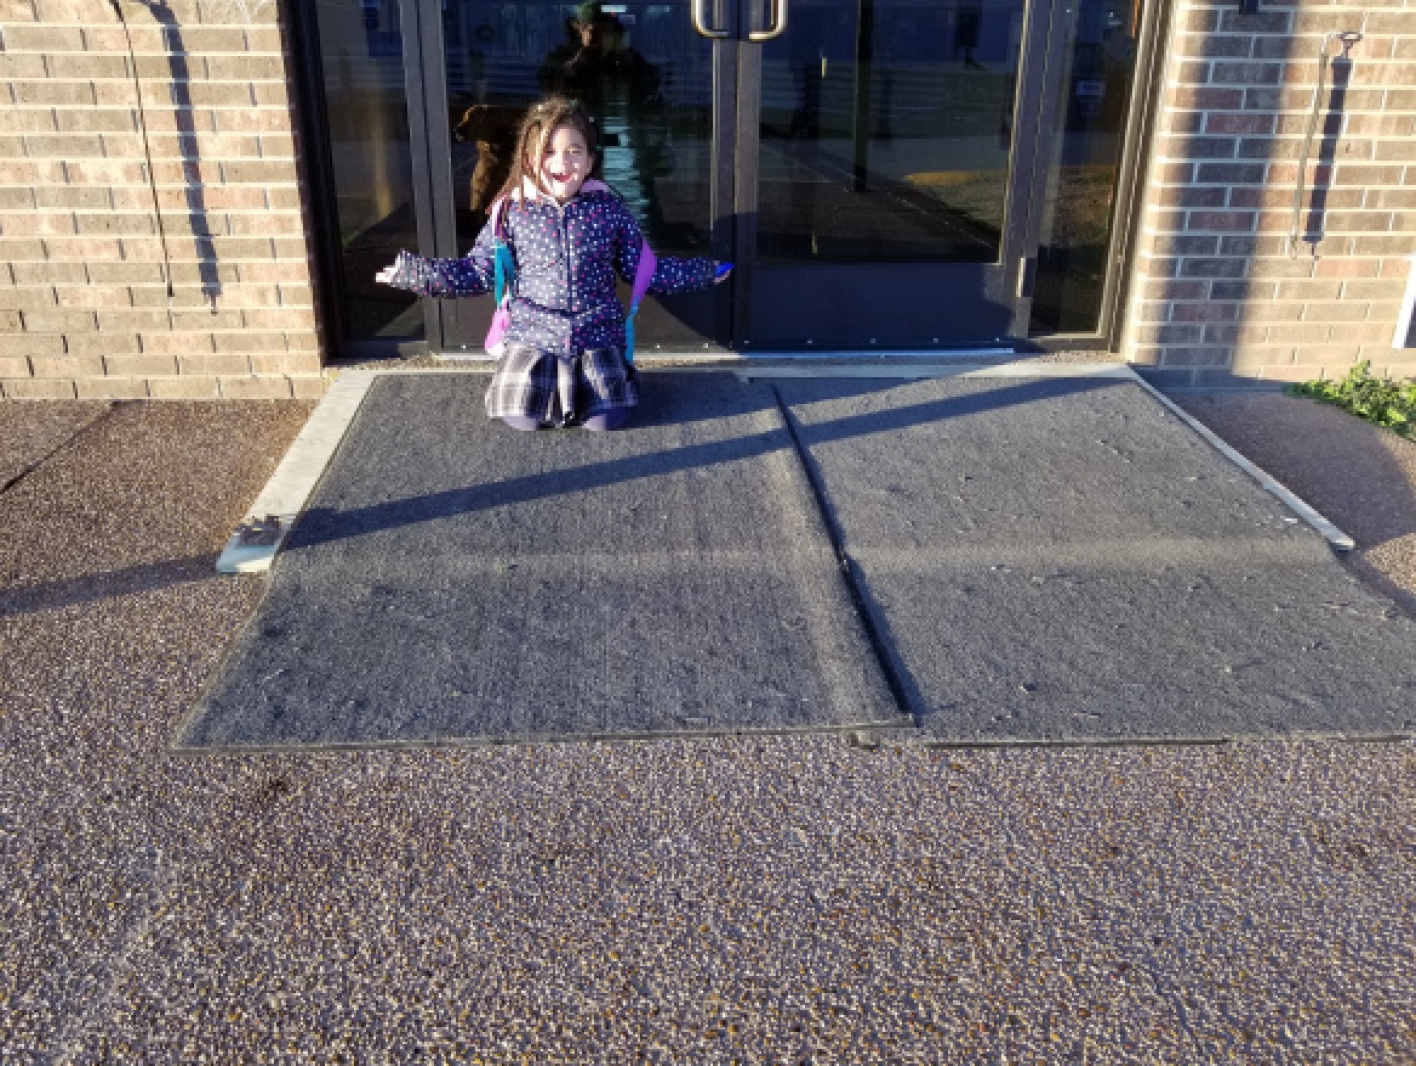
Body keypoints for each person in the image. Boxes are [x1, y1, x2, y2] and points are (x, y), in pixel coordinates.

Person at [376, 97, 730, 432]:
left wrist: (700, 272)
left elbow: (643, 271)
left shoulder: (609, 211)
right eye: (549, 152)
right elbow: (478, 271)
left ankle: (603, 383)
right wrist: (417, 274)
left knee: (607, 421)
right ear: (529, 160)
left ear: (590, 161)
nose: (562, 163)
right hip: (533, 340)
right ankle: (520, 381)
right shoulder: (511, 213)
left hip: (596, 339)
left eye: (574, 151)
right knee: (522, 419)